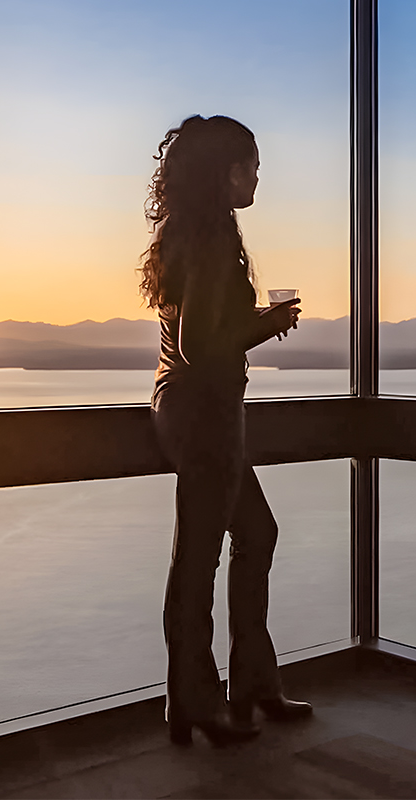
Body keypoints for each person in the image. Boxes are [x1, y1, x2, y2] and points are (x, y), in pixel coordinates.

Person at [138, 115, 314, 747]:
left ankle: (237, 689)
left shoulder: (197, 232)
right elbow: (200, 345)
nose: (258, 177)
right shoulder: (211, 238)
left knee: (248, 535)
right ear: (226, 172)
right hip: (203, 411)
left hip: (195, 408)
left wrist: (256, 322)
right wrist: (266, 325)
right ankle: (203, 698)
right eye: (252, 166)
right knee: (202, 555)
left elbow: (197, 335)